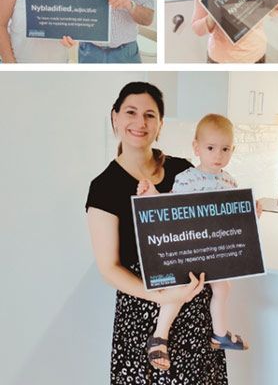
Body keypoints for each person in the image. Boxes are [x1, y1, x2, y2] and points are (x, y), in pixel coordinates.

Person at [86, 82, 228, 382]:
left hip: (194, 306)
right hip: (145, 310)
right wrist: (162, 296)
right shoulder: (104, 187)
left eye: (150, 115)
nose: (140, 123)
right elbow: (108, 268)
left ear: (160, 123)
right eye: (131, 112)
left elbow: (210, 221)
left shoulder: (184, 171)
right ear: (115, 117)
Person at [137, 114, 251, 371]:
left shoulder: (230, 181)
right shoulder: (188, 178)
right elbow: (171, 204)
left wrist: (250, 210)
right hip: (188, 248)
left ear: (233, 150)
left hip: (212, 250)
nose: (218, 155)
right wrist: (153, 193)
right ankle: (159, 336)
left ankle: (219, 334)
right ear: (197, 148)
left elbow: (234, 214)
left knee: (223, 289)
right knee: (180, 292)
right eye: (211, 148)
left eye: (225, 149)